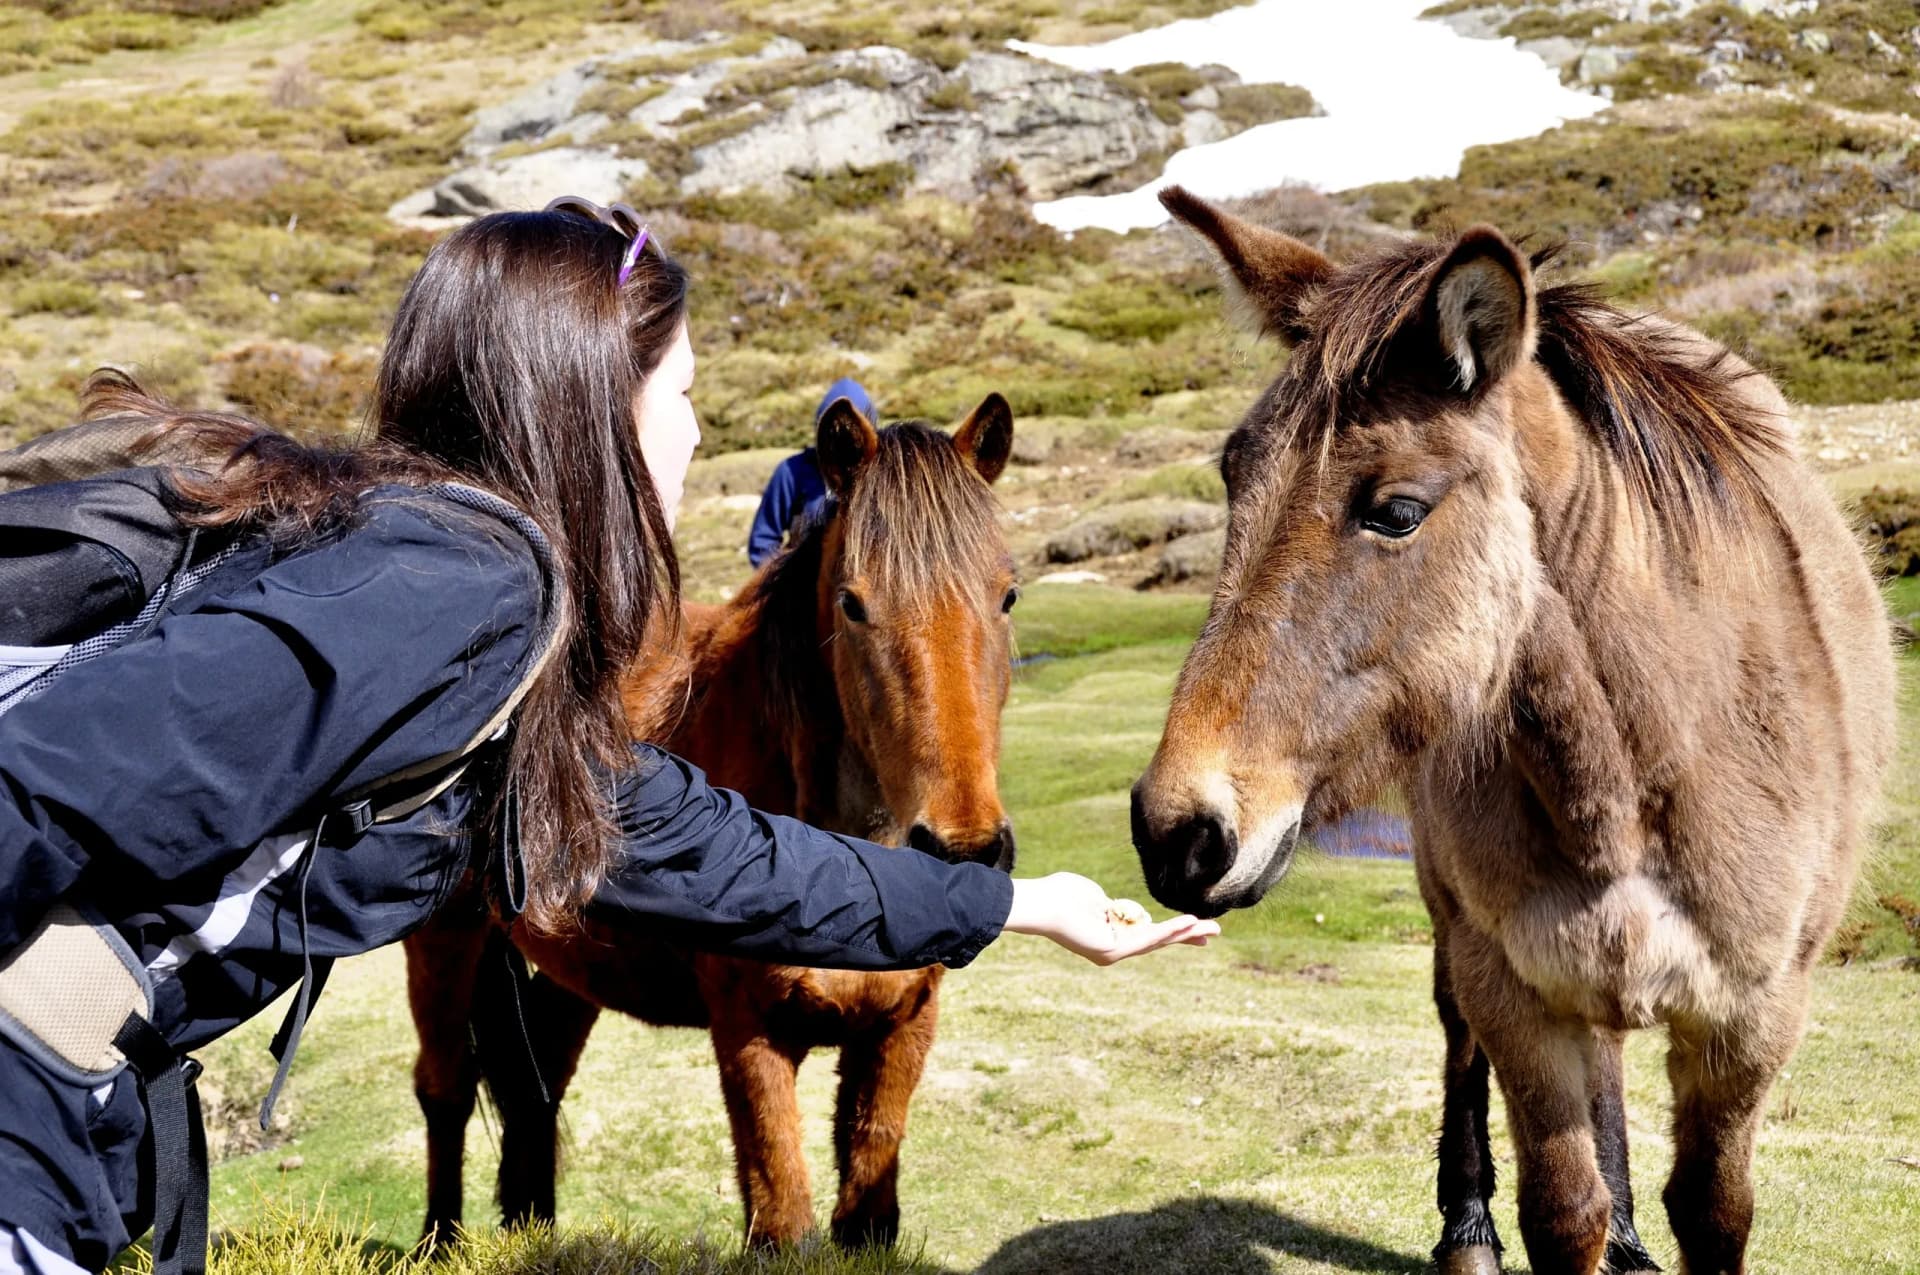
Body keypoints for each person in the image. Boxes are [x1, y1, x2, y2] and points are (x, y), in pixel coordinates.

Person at [0, 200, 1215, 1275]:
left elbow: (698, 850)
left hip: (73, 1094)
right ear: (591, 402)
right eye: (680, 394)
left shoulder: (448, 575)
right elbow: (46, 784)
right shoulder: (465, 585)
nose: (691, 434)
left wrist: (1014, 906)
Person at [745, 378, 872, 566]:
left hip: (856, 588)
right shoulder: (792, 472)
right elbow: (762, 542)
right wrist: (783, 582)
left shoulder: (879, 477)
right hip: (799, 587)